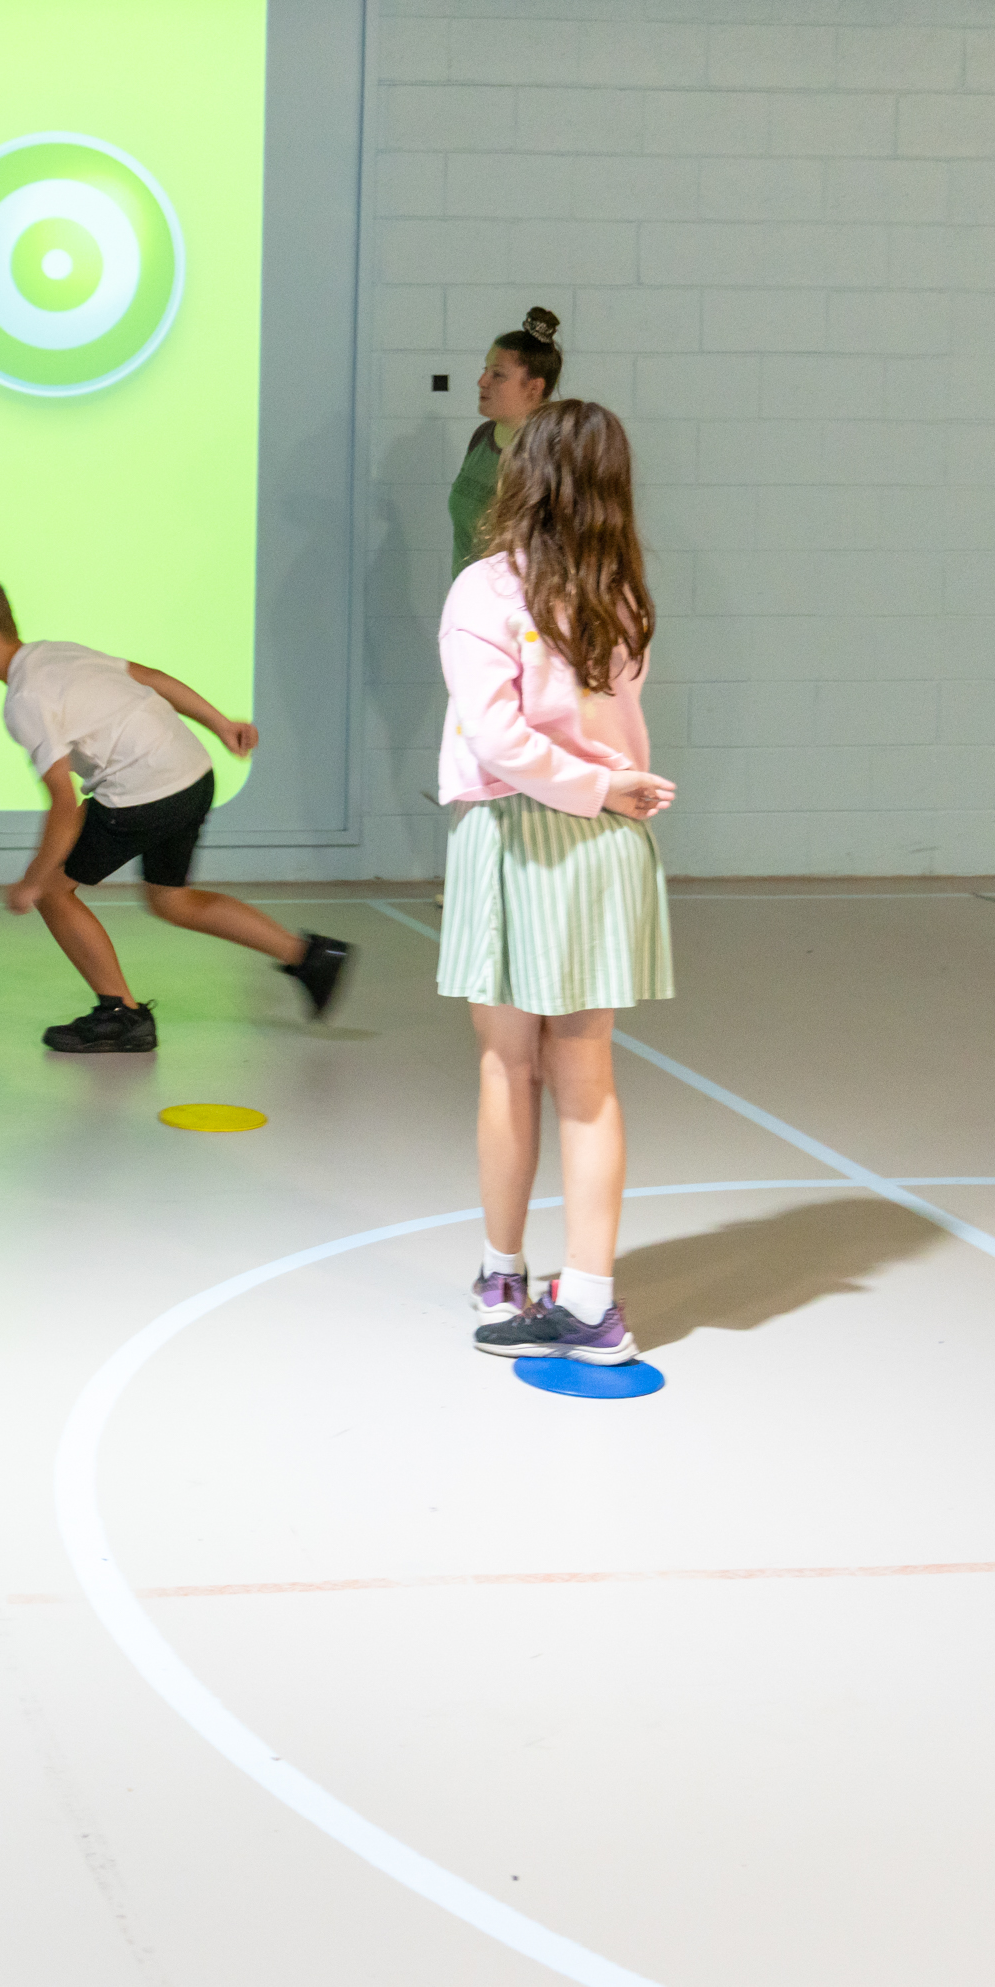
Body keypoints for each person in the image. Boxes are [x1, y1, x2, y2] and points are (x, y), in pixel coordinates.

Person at [439, 398, 675, 1367]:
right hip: (609, 836)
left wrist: (589, 786)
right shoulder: (624, 595)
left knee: (508, 1063)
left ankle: (505, 1275)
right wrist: (607, 787)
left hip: (521, 831)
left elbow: (497, 738)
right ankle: (588, 1300)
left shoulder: (487, 588)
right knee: (586, 1075)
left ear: (523, 476)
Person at [0, 578, 350, 1055]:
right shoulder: (54, 653)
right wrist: (219, 723)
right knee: (171, 900)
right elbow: (149, 676)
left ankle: (121, 1015)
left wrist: (33, 880)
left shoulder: (25, 699)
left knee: (52, 892)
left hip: (144, 791)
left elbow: (63, 804)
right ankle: (310, 956)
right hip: (192, 773)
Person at [447, 306, 563, 584]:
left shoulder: (552, 456)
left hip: (517, 607)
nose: (482, 381)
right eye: (485, 370)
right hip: (468, 601)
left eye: (497, 374)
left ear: (534, 388)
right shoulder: (482, 437)